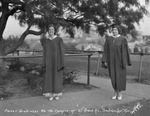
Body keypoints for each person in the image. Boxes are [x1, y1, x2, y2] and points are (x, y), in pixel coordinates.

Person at [102, 24, 131, 100]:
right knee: (113, 77)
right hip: (111, 62)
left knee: (120, 77)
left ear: (119, 31)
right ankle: (115, 92)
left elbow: (125, 52)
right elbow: (105, 51)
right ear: (112, 30)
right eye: (113, 29)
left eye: (116, 30)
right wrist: (105, 60)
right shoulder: (108, 39)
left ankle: (120, 93)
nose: (114, 31)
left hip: (120, 62)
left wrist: (124, 62)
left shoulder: (122, 39)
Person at [42, 24, 65, 101]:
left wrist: (61, 63)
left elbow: (62, 52)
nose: (51, 31)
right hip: (49, 63)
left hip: (56, 62)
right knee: (49, 78)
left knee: (56, 78)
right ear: (48, 31)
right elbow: (44, 52)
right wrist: (44, 63)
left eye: (52, 29)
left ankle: (56, 94)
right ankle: (51, 94)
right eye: (49, 29)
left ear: (54, 30)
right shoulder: (46, 41)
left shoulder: (58, 39)